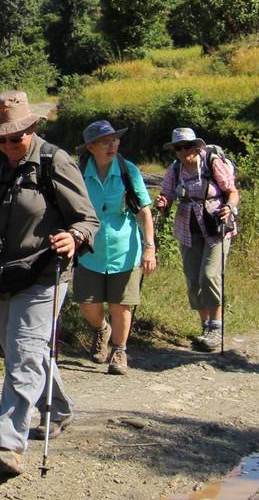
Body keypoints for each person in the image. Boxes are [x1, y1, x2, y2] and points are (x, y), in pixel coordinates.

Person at [0, 91, 98, 477]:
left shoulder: (53, 161)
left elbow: (87, 219)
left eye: (17, 137)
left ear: (32, 127)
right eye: (2, 138)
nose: (10, 145)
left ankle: (10, 444)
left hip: (43, 274)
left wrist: (74, 237)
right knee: (19, 349)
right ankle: (60, 408)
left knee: (22, 355)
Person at [74, 120, 156, 375]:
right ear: (90, 147)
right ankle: (101, 329)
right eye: (105, 142)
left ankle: (119, 351)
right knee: (87, 303)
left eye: (115, 140)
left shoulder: (127, 170)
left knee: (121, 304)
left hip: (124, 250)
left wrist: (149, 248)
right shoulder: (77, 173)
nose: (113, 145)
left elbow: (144, 211)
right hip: (89, 252)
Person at [153, 127, 238, 352]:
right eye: (178, 148)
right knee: (193, 280)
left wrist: (229, 207)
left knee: (209, 275)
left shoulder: (211, 162)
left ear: (196, 146)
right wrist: (162, 204)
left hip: (215, 226)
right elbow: (167, 195)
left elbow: (232, 191)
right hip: (187, 229)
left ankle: (216, 327)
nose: (183, 151)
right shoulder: (175, 168)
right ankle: (205, 327)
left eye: (187, 146)